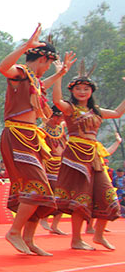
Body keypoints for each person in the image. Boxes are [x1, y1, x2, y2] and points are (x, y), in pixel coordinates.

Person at [0, 24, 69, 256]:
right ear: (42, 59)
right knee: (37, 184)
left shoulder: (34, 80)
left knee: (44, 186)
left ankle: (29, 238)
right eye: (48, 63)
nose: (48, 68)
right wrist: (24, 47)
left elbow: (40, 87)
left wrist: (59, 75)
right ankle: (14, 232)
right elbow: (2, 67)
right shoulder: (19, 73)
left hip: (32, 137)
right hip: (17, 135)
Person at [52, 65, 125, 250]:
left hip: (94, 157)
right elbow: (57, 100)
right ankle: (76, 239)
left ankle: (98, 235)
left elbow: (117, 112)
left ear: (91, 91)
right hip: (75, 156)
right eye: (78, 89)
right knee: (80, 199)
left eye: (86, 89)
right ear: (72, 91)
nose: (82, 92)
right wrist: (59, 75)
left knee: (108, 194)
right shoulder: (70, 109)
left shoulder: (97, 111)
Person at [40, 105, 68, 235]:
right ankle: (44, 218)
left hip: (61, 166)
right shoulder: (41, 129)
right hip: (48, 165)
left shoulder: (61, 128)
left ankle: (55, 225)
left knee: (63, 195)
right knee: (51, 194)